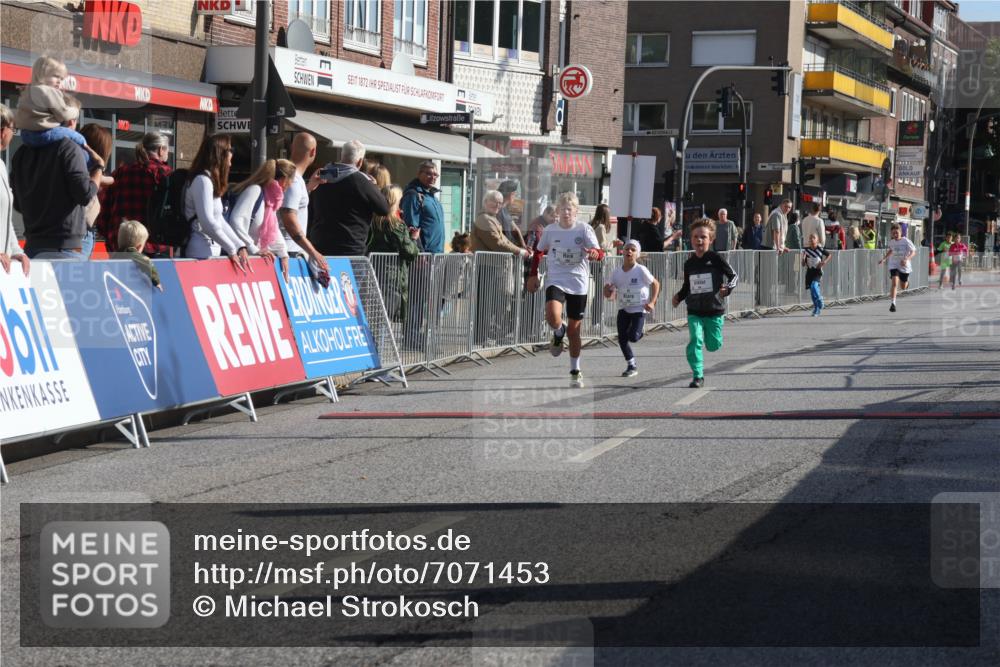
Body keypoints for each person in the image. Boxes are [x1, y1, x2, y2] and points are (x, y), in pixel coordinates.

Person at [526, 191, 604, 388]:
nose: (566, 213)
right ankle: (557, 331)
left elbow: (600, 252)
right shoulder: (551, 230)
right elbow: (538, 252)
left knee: (574, 331)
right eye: (562, 209)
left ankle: (575, 370)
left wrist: (595, 254)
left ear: (576, 211)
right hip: (556, 279)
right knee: (553, 316)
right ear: (557, 212)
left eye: (569, 209)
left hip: (578, 283)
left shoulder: (584, 229)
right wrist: (533, 274)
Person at [10, 94, 101, 259]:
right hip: (64, 248)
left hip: (32, 246)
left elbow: (17, 204)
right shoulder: (69, 148)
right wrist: (99, 168)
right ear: (71, 121)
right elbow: (85, 195)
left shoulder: (21, 153)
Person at [671, 218, 738, 388]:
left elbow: (734, 276)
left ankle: (715, 339)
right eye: (695, 237)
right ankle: (697, 375)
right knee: (695, 340)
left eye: (703, 237)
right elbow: (688, 286)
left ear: (711, 239)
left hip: (714, 310)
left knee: (713, 345)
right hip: (694, 310)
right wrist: (678, 297)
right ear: (691, 240)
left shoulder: (716, 258)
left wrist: (727, 289)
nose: (699, 240)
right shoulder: (689, 263)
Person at [183, 134, 267, 270]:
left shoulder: (210, 180)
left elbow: (219, 220)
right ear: (219, 153)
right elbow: (207, 222)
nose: (232, 154)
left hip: (211, 251)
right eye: (230, 150)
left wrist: (240, 246)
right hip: (199, 252)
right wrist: (232, 249)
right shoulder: (202, 181)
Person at [472, 190, 533, 346]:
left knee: (489, 302)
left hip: (492, 265)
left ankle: (484, 336)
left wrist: (521, 249)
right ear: (485, 202)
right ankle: (480, 338)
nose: (497, 205)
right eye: (494, 201)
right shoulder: (485, 219)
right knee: (484, 303)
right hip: (486, 265)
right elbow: (497, 243)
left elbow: (504, 240)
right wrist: (520, 251)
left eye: (500, 202)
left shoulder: (491, 218)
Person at [311, 139, 390, 256]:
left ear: (342, 155)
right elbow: (383, 209)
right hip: (350, 247)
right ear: (360, 162)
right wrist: (374, 187)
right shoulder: (361, 181)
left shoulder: (323, 176)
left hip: (320, 245)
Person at [98, 131, 173, 255]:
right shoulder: (164, 174)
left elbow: (105, 207)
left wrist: (108, 235)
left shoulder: (120, 172)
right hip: (153, 245)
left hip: (119, 244)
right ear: (161, 150)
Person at [227, 159, 295, 280]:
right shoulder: (255, 191)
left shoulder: (269, 199)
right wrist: (253, 248)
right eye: (292, 181)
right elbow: (236, 220)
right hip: (234, 257)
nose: (290, 185)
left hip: (245, 258)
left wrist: (283, 254)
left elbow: (273, 229)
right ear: (284, 180)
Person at [603, 239, 659, 377]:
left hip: (639, 309)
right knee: (622, 338)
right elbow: (607, 292)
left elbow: (656, 283)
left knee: (633, 337)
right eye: (627, 249)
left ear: (637, 254)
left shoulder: (641, 270)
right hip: (624, 308)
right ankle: (631, 364)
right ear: (622, 252)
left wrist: (652, 302)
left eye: (633, 250)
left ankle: (638, 331)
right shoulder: (616, 272)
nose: (629, 251)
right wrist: (607, 290)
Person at [368, 185, 420, 323]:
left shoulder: (372, 221)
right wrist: (413, 239)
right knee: (385, 317)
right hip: (391, 275)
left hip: (373, 270)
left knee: (374, 315)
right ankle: (379, 344)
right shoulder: (395, 224)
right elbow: (409, 252)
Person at [282, 132, 328, 272]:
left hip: (287, 251)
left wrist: (309, 187)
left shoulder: (295, 179)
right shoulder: (294, 180)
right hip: (288, 252)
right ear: (313, 152)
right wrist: (313, 252)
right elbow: (289, 219)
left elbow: (291, 203)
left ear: (291, 147)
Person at [0, 104, 29, 275]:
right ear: (3, 131)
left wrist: (16, 250)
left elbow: (5, 217)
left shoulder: (2, 165)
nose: (13, 133)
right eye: (13, 128)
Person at [79, 124, 113, 259]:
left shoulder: (74, 163)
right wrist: (99, 165)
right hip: (81, 233)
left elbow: (109, 180)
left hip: (85, 232)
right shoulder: (84, 170)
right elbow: (108, 180)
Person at [401, 160, 446, 254]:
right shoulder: (413, 195)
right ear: (418, 174)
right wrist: (420, 252)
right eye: (429, 174)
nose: (433, 177)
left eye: (435, 175)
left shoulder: (432, 196)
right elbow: (411, 227)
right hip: (424, 254)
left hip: (438, 253)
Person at [877, 223, 916, 312]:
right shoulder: (891, 242)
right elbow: (891, 250)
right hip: (894, 264)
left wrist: (907, 259)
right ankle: (893, 303)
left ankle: (906, 283)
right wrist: (884, 259)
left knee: (903, 287)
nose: (895, 235)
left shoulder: (906, 241)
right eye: (893, 233)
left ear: (900, 232)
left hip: (904, 266)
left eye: (896, 233)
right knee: (894, 282)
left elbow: (913, 252)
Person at [115, 220, 161, 291]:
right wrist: (156, 281)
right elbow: (147, 262)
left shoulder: (116, 255)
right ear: (139, 247)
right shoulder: (133, 254)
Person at [802, 233, 831, 316]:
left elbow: (829, 255)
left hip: (817, 272)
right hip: (809, 272)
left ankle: (820, 299)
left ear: (817, 240)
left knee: (814, 286)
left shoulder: (820, 249)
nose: (811, 240)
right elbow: (803, 264)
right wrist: (803, 259)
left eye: (813, 238)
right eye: (810, 238)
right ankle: (816, 309)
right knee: (812, 292)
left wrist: (824, 262)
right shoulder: (806, 250)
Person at [496, 180, 526, 249]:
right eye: (515, 194)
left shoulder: (504, 210)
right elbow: (500, 235)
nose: (515, 197)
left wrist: (524, 246)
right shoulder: (498, 211)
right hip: (503, 251)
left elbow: (516, 228)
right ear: (511, 194)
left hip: (509, 248)